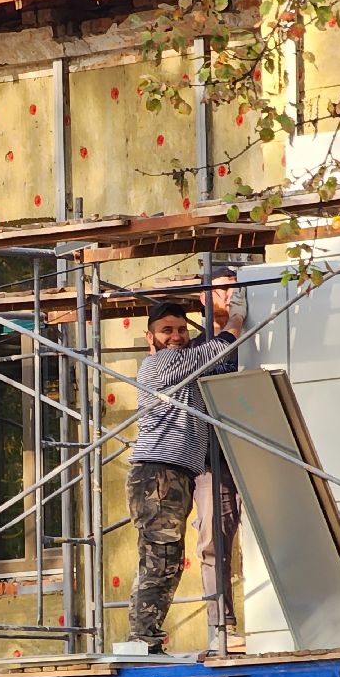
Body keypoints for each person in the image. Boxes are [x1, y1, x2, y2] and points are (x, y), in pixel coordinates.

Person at [125, 291, 245, 652]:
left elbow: (223, 363)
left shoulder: (186, 369)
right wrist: (235, 320)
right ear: (151, 337)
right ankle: (142, 637)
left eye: (181, 329)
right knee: (160, 557)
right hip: (157, 474)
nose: (175, 336)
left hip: (175, 473)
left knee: (169, 560)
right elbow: (217, 350)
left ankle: (147, 636)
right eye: (166, 330)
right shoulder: (159, 365)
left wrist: (223, 320)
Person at [191, 271, 246, 653]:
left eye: (234, 288)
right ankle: (221, 626)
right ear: (202, 297)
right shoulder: (193, 349)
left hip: (260, 450)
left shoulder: (259, 341)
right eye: (221, 288)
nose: (229, 295)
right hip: (213, 459)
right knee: (212, 541)